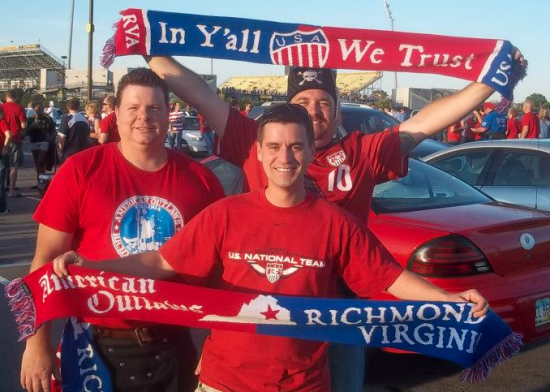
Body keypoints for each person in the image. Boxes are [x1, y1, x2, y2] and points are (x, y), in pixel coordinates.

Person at [52, 104, 489, 392]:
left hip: (303, 383)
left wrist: (448, 299)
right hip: (224, 383)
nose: (286, 157)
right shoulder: (226, 214)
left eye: (296, 146)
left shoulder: (335, 223)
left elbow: (390, 279)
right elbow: (160, 260)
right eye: (275, 147)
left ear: (308, 149)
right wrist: (93, 265)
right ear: (258, 153)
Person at [145, 55, 508, 392]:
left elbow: (429, 121)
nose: (314, 111)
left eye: (324, 102)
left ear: (336, 113)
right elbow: (200, 94)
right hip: (268, 313)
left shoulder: (362, 153)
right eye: (303, 102)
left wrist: (494, 78)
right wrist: (147, 48)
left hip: (339, 313)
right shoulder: (260, 142)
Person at [20, 68, 225, 392]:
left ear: (168, 112)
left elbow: (219, 273)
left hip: (171, 344)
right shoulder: (81, 170)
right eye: (133, 108)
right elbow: (44, 260)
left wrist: (219, 346)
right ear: (115, 114)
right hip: (94, 343)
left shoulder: (200, 180)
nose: (143, 117)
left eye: (153, 108)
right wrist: (36, 343)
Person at [1, 90, 26, 198]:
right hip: (15, 139)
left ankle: (3, 188)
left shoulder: (2, 107)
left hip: (2, 140)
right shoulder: (19, 107)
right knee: (13, 166)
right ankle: (11, 190)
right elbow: (24, 125)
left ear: (6, 97)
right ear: (15, 96)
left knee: (3, 166)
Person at [26, 103, 56, 186]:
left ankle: (42, 180)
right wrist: (32, 125)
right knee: (37, 162)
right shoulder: (30, 119)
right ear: (34, 109)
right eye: (37, 108)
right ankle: (39, 180)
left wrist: (50, 139)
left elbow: (53, 131)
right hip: (34, 141)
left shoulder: (47, 118)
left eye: (41, 108)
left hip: (44, 141)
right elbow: (26, 132)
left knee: (41, 161)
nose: (39, 110)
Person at [57, 98, 90, 163]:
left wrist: (60, 150)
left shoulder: (67, 119)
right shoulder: (85, 119)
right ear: (79, 106)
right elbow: (87, 136)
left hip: (69, 152)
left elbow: (62, 138)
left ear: (67, 107)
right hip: (83, 152)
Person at [0, 106, 11, 214]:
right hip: (1, 151)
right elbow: (8, 135)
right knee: (1, 180)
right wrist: (5, 147)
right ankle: (2, 207)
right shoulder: (2, 122)